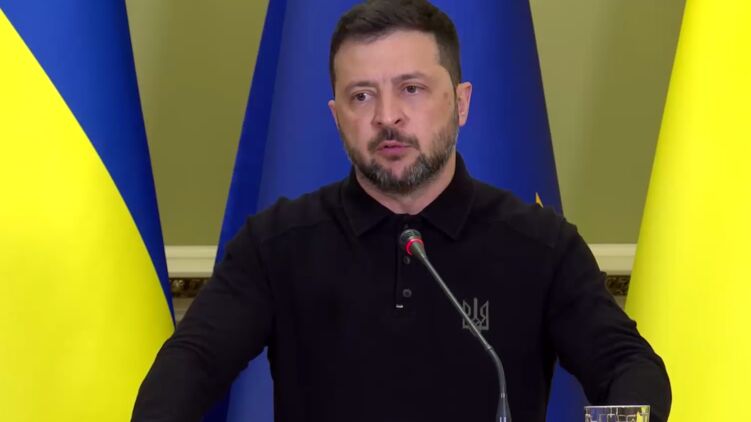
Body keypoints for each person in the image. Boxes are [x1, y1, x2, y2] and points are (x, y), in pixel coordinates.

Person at [133, 0, 671, 421]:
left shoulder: (540, 245)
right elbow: (192, 363)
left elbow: (629, 367)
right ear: (336, 116)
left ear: (461, 103)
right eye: (361, 96)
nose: (387, 117)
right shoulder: (276, 242)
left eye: (411, 89)